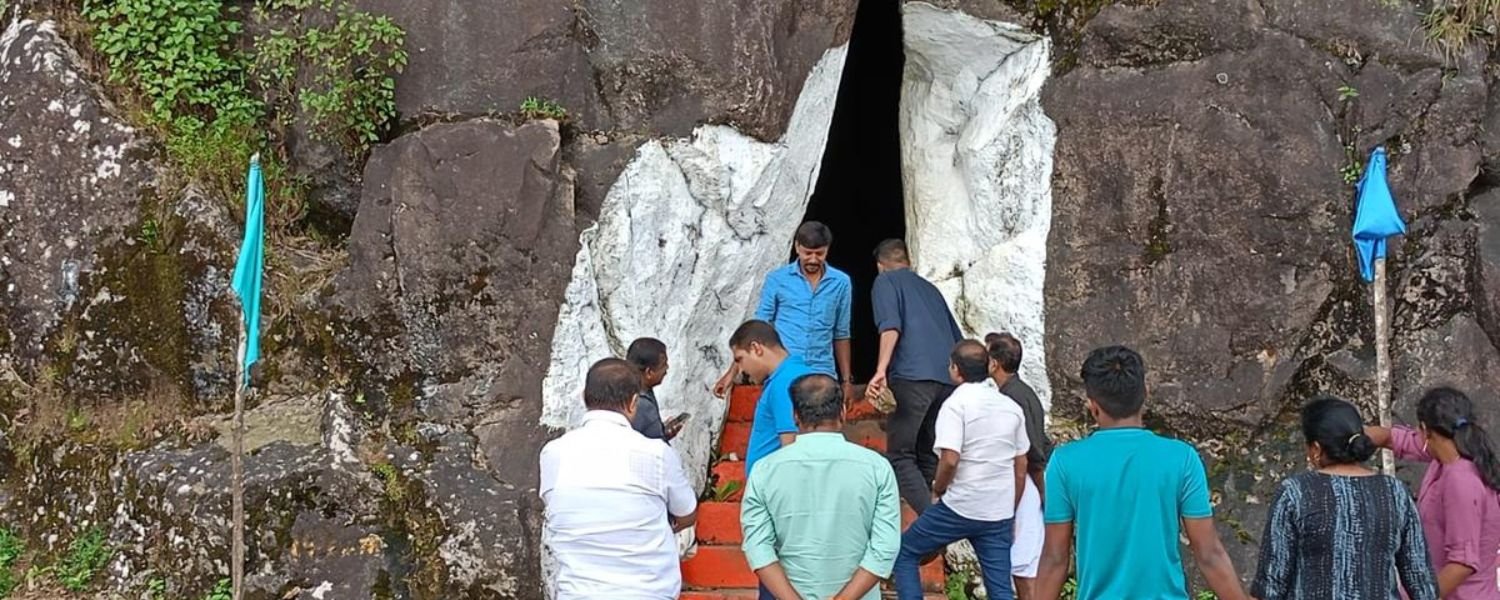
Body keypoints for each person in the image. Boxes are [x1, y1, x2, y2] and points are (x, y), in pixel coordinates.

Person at [1035, 346, 1246, 600]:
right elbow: (1209, 553)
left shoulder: (1065, 462)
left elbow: (1055, 557)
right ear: (1145, 393)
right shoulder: (1182, 458)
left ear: (1093, 405)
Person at [539, 358, 698, 599]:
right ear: (634, 403)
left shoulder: (553, 453)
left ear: (584, 398)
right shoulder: (655, 454)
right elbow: (687, 512)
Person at [1252, 396, 1438, 599]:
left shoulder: (1295, 493)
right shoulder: (1395, 493)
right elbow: (1422, 583)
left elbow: (1271, 584)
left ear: (1315, 449)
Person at [741, 374, 902, 600]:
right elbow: (884, 548)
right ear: (843, 413)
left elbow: (758, 548)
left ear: (795, 416)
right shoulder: (877, 468)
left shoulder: (764, 471)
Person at [893, 340, 1029, 600]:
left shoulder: (956, 405)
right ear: (989, 366)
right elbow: (1020, 466)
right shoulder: (1011, 408)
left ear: (955, 370)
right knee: (1000, 588)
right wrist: (1010, 509)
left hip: (960, 506)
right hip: (998, 511)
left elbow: (951, 459)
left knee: (906, 552)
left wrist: (938, 489)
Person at [1366, 387, 1500, 599]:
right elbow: (1405, 441)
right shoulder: (1452, 455)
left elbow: (1462, 563)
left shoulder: (1461, 480)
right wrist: (1374, 435)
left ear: (1426, 430)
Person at [864, 238, 964, 515]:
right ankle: (939, 515)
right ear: (908, 261)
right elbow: (957, 340)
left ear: (880, 266)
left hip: (912, 377)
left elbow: (891, 326)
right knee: (925, 453)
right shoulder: (930, 289)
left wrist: (881, 369)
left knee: (899, 456)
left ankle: (934, 525)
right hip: (946, 382)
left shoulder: (885, 282)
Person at [716, 221, 854, 404]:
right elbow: (757, 329)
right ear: (797, 247)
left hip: (823, 372)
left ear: (827, 250)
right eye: (808, 253)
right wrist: (732, 373)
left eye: (819, 254)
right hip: (784, 371)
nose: (813, 259)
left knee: (820, 427)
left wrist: (846, 381)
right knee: (785, 426)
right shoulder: (777, 280)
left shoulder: (841, 283)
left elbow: (841, 334)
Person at [986, 332, 1049, 600]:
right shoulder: (1021, 392)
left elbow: (1028, 456)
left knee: (1024, 567)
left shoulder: (1011, 399)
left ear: (995, 363)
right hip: (1024, 484)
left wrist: (1012, 505)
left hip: (1022, 486)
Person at [729, 320, 814, 476]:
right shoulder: (797, 372)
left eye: (740, 359)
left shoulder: (784, 382)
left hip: (775, 487)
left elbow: (791, 446)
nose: (741, 370)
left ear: (756, 348)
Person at [625, 337, 683, 441]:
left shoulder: (630, 389)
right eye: (663, 365)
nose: (667, 368)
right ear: (649, 373)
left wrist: (662, 430)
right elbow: (656, 447)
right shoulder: (643, 404)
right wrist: (664, 435)